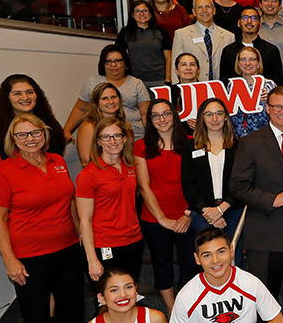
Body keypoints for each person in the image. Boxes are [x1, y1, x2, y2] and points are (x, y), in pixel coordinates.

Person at [229, 87, 283, 323]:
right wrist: (272, 199)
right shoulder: (250, 143)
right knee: (264, 300)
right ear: (268, 109)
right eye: (277, 106)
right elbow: (237, 186)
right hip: (266, 234)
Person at [0, 113, 83, 323]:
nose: (30, 139)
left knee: (73, 311)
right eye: (21, 135)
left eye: (35, 132)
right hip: (30, 257)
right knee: (37, 315)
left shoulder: (57, 160)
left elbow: (69, 200)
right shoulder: (4, 172)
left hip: (67, 249)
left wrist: (80, 232)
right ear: (12, 139)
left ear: (44, 133)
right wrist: (10, 261)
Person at [77, 117, 175, 285]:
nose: (112, 141)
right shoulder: (88, 174)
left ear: (124, 139)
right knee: (106, 298)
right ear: (98, 142)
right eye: (105, 137)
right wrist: (92, 259)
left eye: (117, 135)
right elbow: (84, 221)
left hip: (133, 241)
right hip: (105, 244)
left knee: (129, 292)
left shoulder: (131, 166)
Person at [0, 74, 65, 232]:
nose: (25, 97)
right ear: (7, 98)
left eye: (29, 92)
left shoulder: (51, 127)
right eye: (17, 93)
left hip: (55, 215)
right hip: (17, 217)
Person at [134, 100, 196, 313]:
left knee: (191, 262)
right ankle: (172, 309)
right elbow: (144, 186)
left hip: (186, 215)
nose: (162, 119)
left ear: (174, 115)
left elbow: (198, 183)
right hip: (154, 218)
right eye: (156, 115)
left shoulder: (192, 142)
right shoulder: (141, 146)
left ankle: (184, 304)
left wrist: (188, 213)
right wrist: (162, 219)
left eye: (166, 114)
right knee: (162, 263)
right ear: (150, 120)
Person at [181, 98, 245, 266]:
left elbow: (243, 182)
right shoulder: (191, 147)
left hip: (233, 212)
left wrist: (222, 209)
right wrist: (209, 212)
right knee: (209, 262)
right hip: (203, 215)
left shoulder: (239, 146)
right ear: (201, 118)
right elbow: (188, 184)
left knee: (233, 260)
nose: (214, 119)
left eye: (219, 113)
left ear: (226, 117)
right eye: (208, 114)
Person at [172, 227, 283, 323]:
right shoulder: (186, 297)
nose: (215, 260)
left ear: (231, 251)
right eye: (207, 255)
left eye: (221, 252)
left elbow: (276, 318)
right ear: (197, 259)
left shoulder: (251, 283)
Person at [63, 44, 150, 142]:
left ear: (125, 63)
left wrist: (152, 137)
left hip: (135, 137)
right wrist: (66, 130)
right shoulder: (92, 82)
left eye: (118, 61)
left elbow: (145, 113)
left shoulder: (137, 83)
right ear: (102, 64)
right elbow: (80, 109)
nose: (113, 65)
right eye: (108, 61)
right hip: (103, 140)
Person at [172, 0, 237, 82]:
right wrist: (177, 90)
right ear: (194, 12)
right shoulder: (181, 34)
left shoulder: (229, 36)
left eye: (208, 7)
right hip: (192, 88)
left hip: (220, 88)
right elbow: (175, 66)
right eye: (200, 7)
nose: (204, 10)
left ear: (214, 10)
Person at [220, 6, 283, 85]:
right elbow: (224, 82)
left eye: (254, 18)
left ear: (260, 24)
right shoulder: (228, 51)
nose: (249, 21)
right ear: (238, 23)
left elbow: (278, 82)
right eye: (245, 18)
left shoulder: (271, 50)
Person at [116, 0, 172, 88]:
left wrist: (168, 80)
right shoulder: (125, 32)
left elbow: (168, 58)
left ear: (151, 14)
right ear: (132, 15)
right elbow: (118, 56)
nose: (141, 14)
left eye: (145, 11)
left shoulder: (161, 31)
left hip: (159, 79)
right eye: (137, 11)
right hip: (134, 80)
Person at [74, 83, 127, 166]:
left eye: (113, 97)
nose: (111, 101)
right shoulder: (89, 126)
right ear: (96, 103)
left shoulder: (125, 124)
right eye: (105, 98)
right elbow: (86, 161)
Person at [230, 47, 279, 137]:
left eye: (252, 59)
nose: (247, 63)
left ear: (258, 64)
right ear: (238, 64)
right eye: (243, 59)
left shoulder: (269, 85)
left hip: (264, 136)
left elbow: (279, 111)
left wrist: (270, 101)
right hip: (238, 137)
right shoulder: (232, 85)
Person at [90, 267, 167, 323]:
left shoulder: (154, 319)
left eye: (128, 287)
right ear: (102, 298)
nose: (123, 295)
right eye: (114, 290)